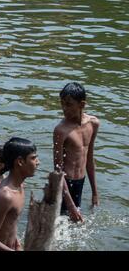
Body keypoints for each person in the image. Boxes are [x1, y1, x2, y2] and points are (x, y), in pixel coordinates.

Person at [0, 137, 39, 251]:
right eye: (33, 158)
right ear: (20, 162)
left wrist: (17, 245)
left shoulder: (20, 187)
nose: (38, 162)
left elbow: (11, 223)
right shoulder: (4, 196)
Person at [53, 82, 100, 223]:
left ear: (82, 104)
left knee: (75, 226)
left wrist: (95, 193)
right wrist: (71, 205)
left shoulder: (93, 123)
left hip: (80, 182)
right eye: (62, 103)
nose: (64, 108)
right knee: (59, 225)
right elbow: (57, 170)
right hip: (64, 185)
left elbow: (89, 160)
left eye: (68, 104)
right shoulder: (61, 130)